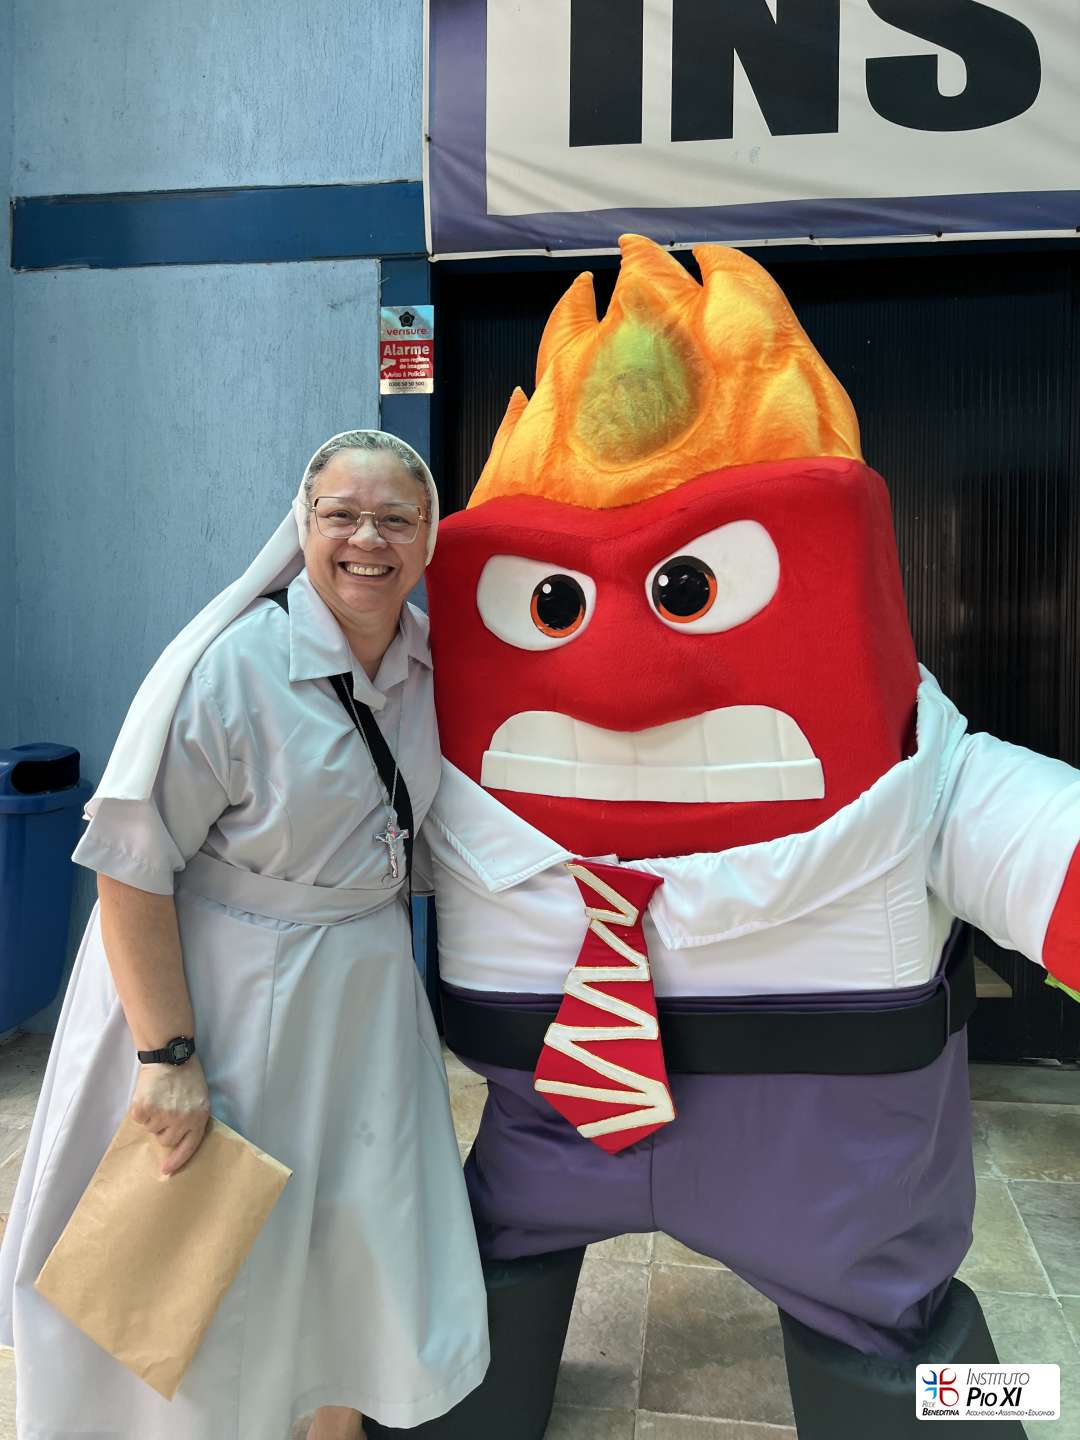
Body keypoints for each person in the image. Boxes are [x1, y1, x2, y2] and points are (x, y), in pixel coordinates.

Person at [367, 238, 1078, 1440]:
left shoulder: (921, 781)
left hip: (833, 1172)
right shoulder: (453, 782)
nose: (618, 672)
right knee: (472, 1293)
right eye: (556, 603)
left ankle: (1037, 1402)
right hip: (549, 1135)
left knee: (916, 1365)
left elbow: (1040, 840)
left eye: (684, 591)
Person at [0, 430, 489, 1440]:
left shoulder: (427, 661)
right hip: (225, 997)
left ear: (429, 538)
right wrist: (167, 1056)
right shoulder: (235, 669)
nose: (368, 539)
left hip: (361, 999)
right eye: (341, 515)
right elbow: (130, 865)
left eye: (395, 518)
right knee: (215, 1258)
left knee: (355, 1237)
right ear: (302, 527)